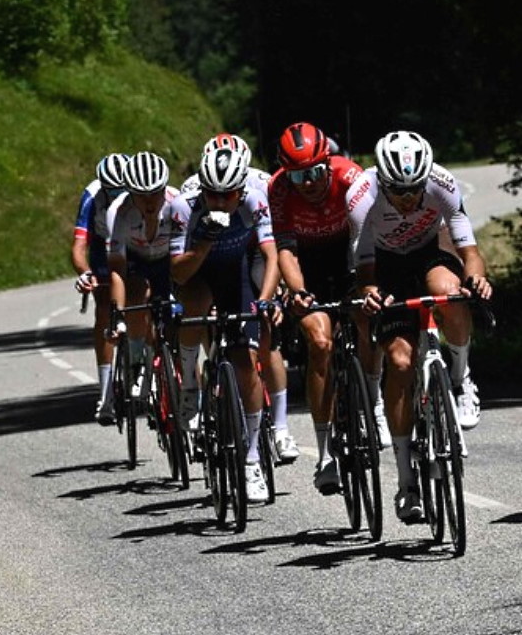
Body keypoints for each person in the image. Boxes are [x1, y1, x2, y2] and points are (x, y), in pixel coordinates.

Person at [346, 129, 493, 524]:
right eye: (399, 191)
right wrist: (371, 293)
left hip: (429, 253)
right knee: (398, 361)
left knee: (453, 294)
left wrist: (477, 279)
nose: (409, 198)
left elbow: (469, 251)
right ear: (383, 181)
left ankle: (462, 381)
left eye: (415, 190)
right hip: (384, 265)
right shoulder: (361, 198)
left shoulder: (442, 183)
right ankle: (407, 481)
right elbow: (363, 269)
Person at [171, 136, 282, 503]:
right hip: (198, 273)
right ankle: (189, 383)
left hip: (237, 271)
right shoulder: (185, 207)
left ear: (239, 190)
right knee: (194, 308)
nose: (220, 203)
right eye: (213, 196)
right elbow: (179, 274)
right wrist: (203, 243)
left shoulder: (253, 197)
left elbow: (271, 253)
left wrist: (265, 300)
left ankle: (251, 459)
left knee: (246, 362)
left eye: (227, 196)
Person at [264, 122, 369, 495]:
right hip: (307, 264)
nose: (307, 183)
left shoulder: (349, 175)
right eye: (297, 176)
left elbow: (366, 235)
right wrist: (298, 291)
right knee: (320, 343)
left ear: (329, 162)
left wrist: (363, 282)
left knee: (367, 316)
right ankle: (325, 454)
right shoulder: (277, 189)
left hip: (349, 254)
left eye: (313, 172)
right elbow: (286, 250)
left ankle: (373, 404)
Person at [104, 151, 191, 417]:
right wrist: (117, 314)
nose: (150, 201)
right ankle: (137, 358)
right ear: (130, 193)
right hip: (135, 262)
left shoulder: (178, 204)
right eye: (141, 195)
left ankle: (186, 384)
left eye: (156, 193)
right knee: (137, 294)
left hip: (169, 260)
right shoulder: (118, 212)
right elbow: (117, 269)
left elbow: (188, 258)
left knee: (179, 317)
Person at [71, 152, 131, 424]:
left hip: (135, 244)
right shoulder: (92, 196)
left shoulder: (141, 189)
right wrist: (85, 273)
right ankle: (106, 394)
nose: (118, 196)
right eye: (112, 191)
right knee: (105, 310)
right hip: (104, 251)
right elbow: (79, 246)